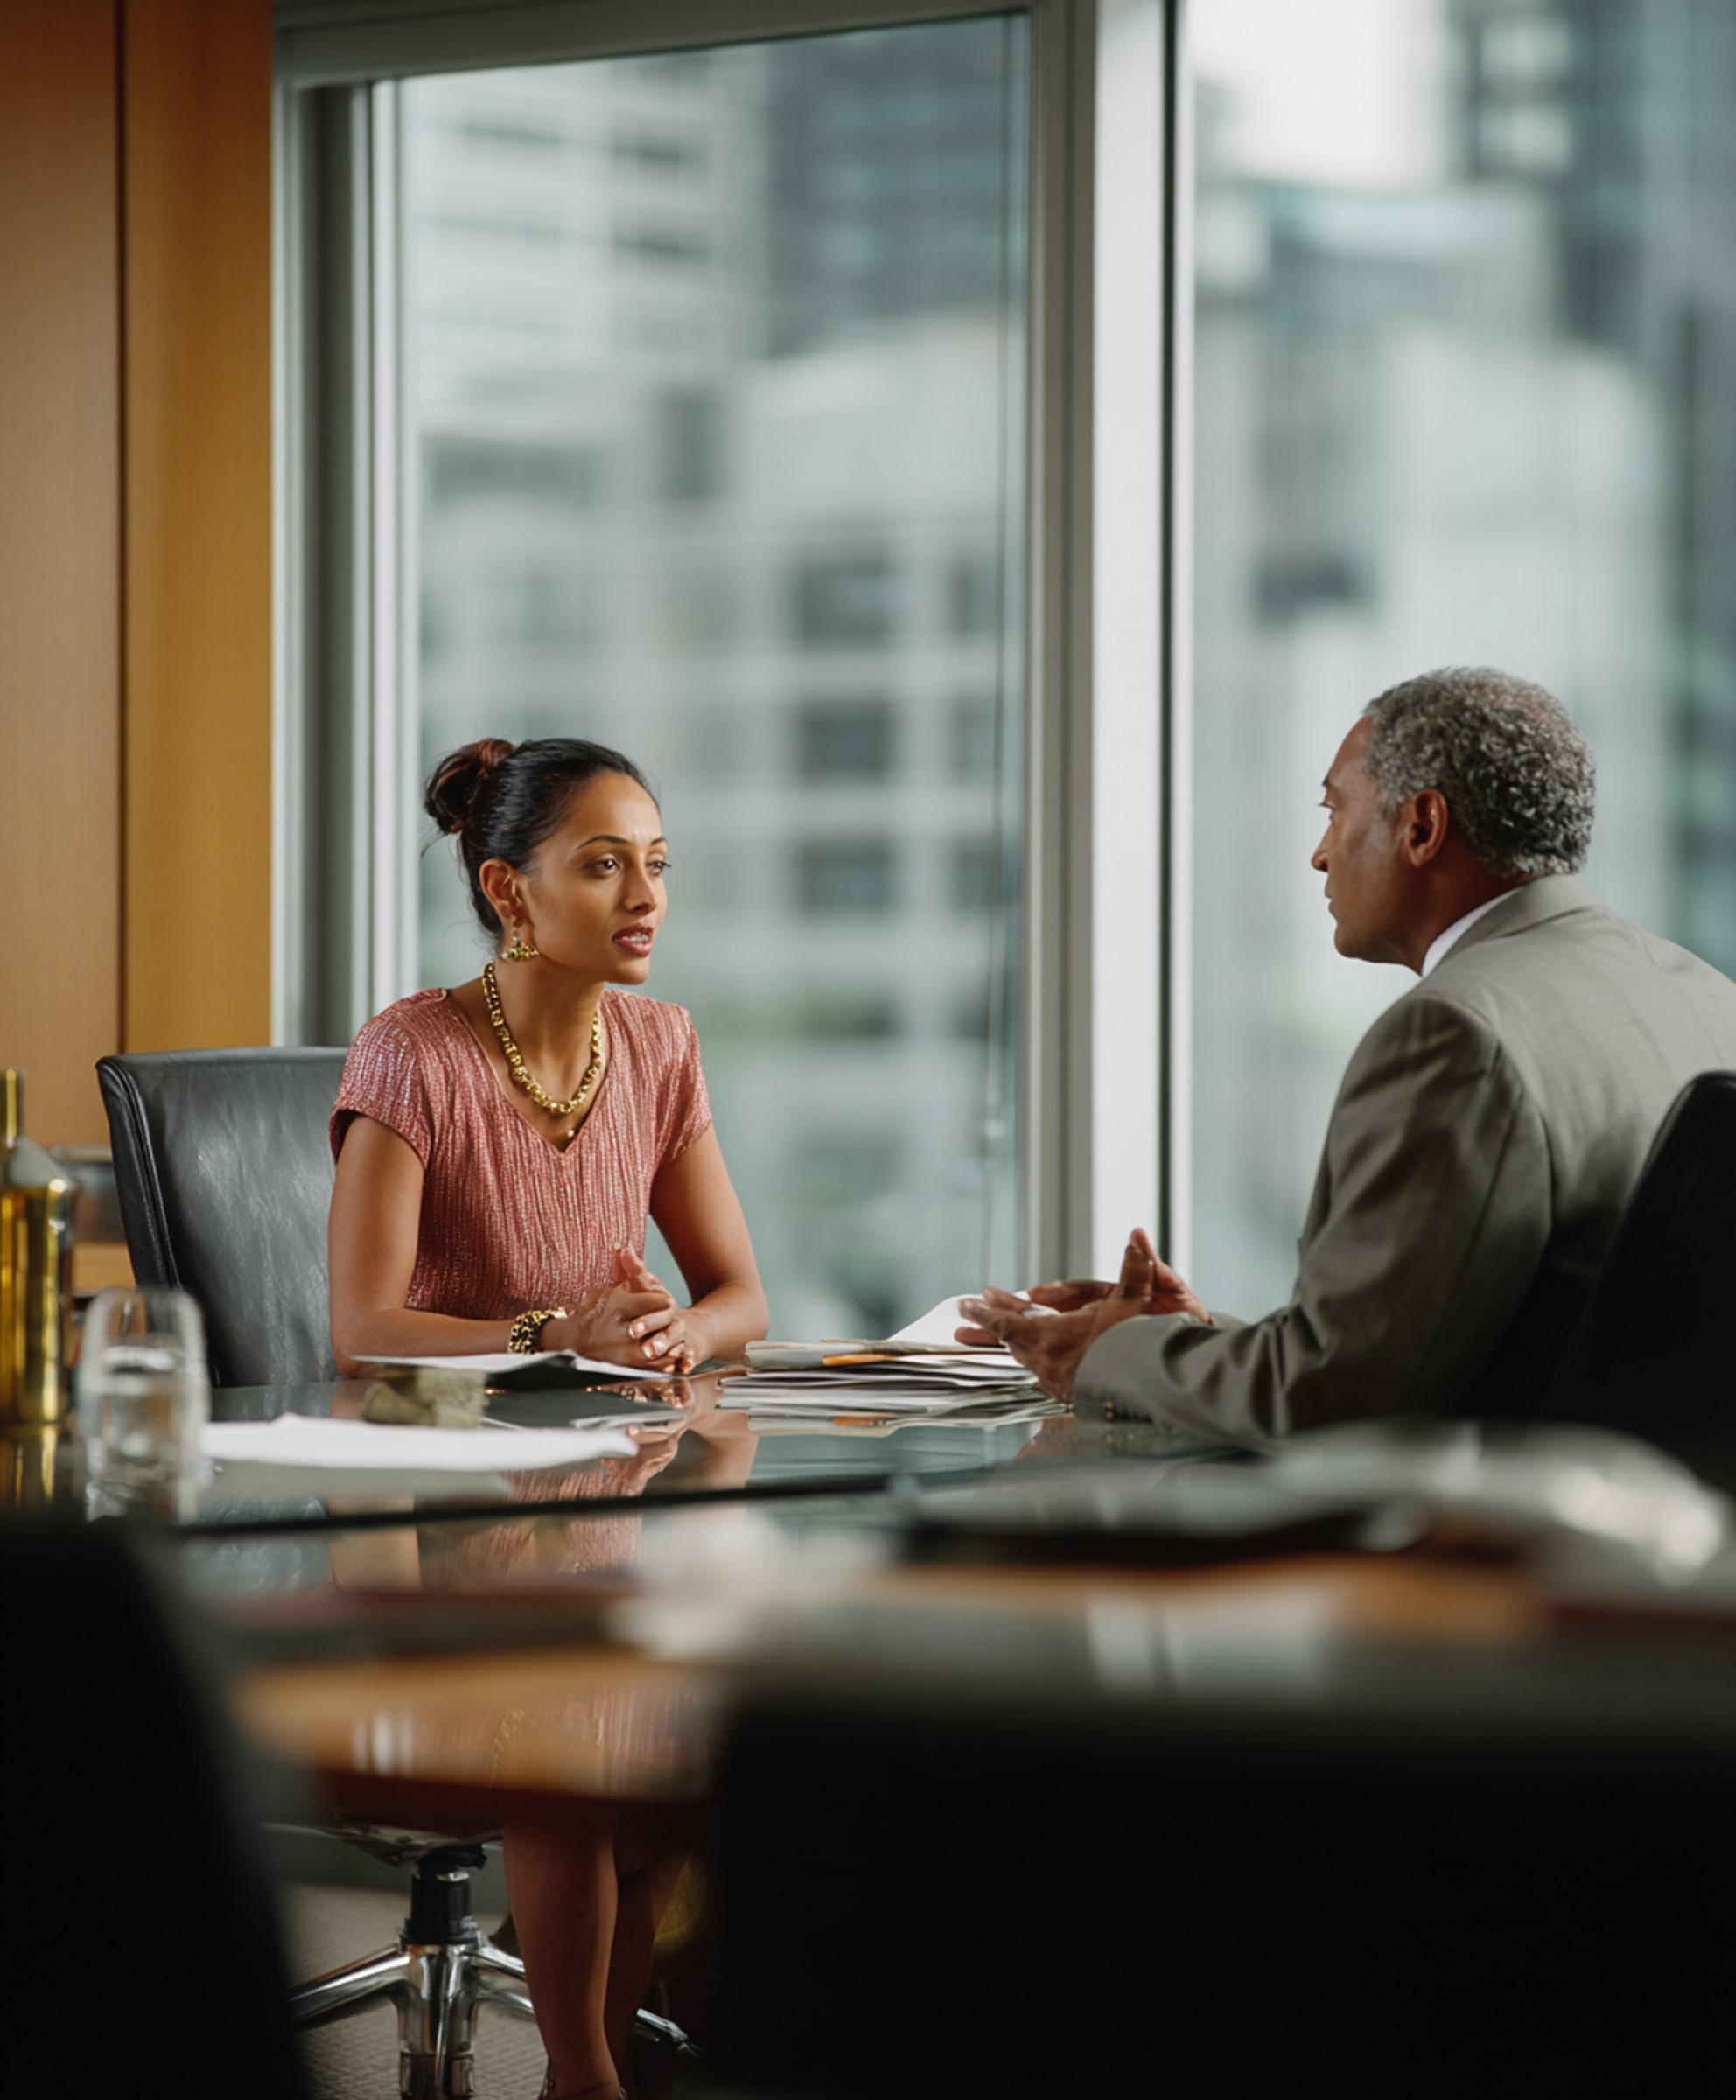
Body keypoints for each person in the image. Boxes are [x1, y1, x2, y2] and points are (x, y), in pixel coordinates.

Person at [961, 666, 1736, 1445]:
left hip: (1464, 1550)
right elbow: (1482, 1352)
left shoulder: (1458, 1031)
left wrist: (1109, 1356)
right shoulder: (1709, 998)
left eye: (1334, 810)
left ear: (1422, 827)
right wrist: (1187, 1343)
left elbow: (1333, 1403)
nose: (1320, 854)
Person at [328, 734, 768, 2100]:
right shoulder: (414, 1052)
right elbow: (361, 1331)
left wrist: (669, 1329)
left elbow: (740, 1292)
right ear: (510, 894)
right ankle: (582, 2071)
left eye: (657, 866)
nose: (645, 895)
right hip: (428, 1519)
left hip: (603, 1499)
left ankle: (605, 2061)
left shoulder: (659, 1042)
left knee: (694, 1736)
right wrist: (549, 1332)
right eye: (603, 865)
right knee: (580, 1729)